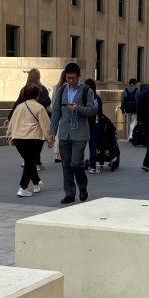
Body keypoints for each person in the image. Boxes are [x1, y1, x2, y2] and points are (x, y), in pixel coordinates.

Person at [49, 63, 98, 204]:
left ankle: (82, 186)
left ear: (79, 77)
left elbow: (93, 110)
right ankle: (69, 193)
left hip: (80, 134)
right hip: (64, 133)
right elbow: (56, 112)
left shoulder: (86, 91)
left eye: (74, 78)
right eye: (69, 78)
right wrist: (52, 132)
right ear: (65, 76)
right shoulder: (61, 90)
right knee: (66, 165)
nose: (71, 81)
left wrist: (79, 108)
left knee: (76, 163)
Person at [7, 84, 52, 197]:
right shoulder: (39, 108)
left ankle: (37, 183)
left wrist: (9, 136)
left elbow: (12, 123)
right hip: (33, 138)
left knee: (29, 161)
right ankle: (22, 187)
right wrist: (50, 139)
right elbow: (46, 125)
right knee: (29, 162)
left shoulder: (19, 107)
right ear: (37, 95)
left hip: (18, 139)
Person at [7, 69, 52, 171]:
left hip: (26, 118)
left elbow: (17, 104)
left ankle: (31, 160)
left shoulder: (24, 89)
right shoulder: (42, 89)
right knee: (38, 139)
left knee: (28, 139)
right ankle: (34, 161)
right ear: (38, 76)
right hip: (39, 117)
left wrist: (9, 118)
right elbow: (48, 103)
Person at [84, 79, 104, 174]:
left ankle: (78, 165)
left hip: (83, 124)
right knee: (93, 146)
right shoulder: (97, 99)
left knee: (80, 146)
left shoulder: (83, 98)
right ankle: (92, 167)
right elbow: (100, 113)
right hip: (94, 125)